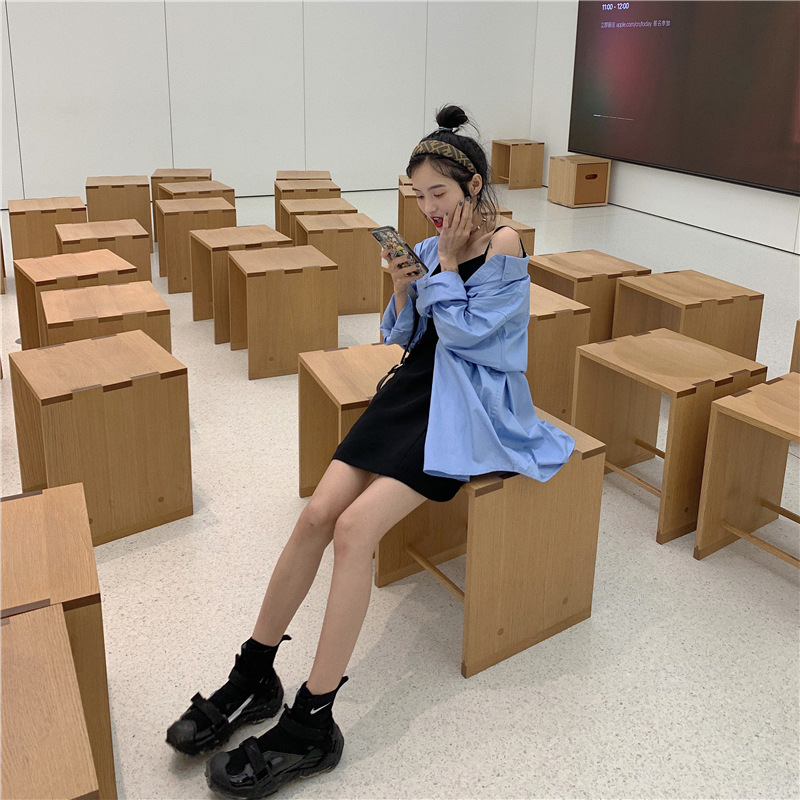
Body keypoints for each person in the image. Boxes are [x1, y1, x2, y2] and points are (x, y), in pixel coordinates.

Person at [166, 104, 575, 799]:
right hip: (415, 389)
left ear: (473, 186)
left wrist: (447, 267)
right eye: (418, 196)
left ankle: (313, 720)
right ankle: (254, 672)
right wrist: (403, 286)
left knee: (355, 530)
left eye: (438, 193)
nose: (428, 208)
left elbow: (481, 343)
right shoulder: (430, 248)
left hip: (468, 407)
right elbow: (408, 338)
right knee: (316, 515)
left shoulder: (503, 243)